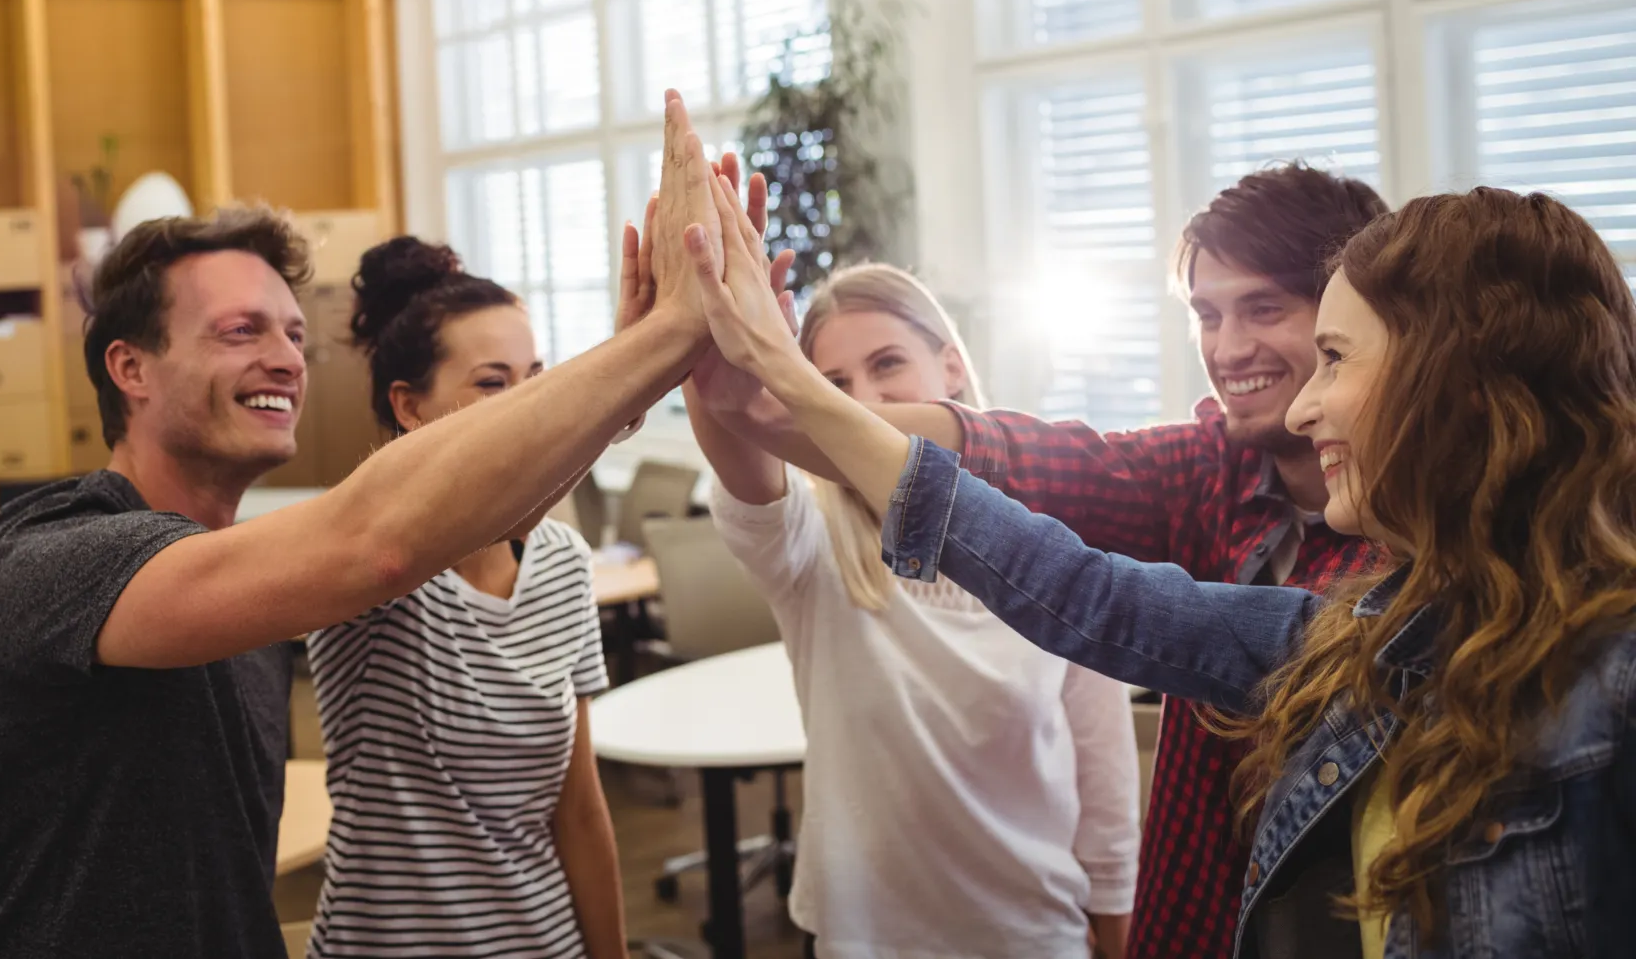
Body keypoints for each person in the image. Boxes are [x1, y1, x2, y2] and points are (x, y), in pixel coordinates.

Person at [685, 175, 1636, 958]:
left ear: (1455, 378)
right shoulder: (1364, 630)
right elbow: (1069, 567)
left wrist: (790, 393)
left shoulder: (1604, 675)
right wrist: (774, 400)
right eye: (1206, 314)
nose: (1300, 401)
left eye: (1332, 355)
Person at [0, 96, 724, 959]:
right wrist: (658, 343)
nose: (286, 358)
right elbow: (377, 543)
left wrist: (633, 381)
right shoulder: (49, 558)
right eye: (241, 330)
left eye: (295, 334)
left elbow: (500, 524)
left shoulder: (251, 601)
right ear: (131, 367)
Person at [671, 252, 1141, 959]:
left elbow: (1104, 778)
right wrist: (713, 356)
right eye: (832, 385)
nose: (863, 400)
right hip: (868, 937)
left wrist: (1117, 926)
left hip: (1035, 931)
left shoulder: (1054, 546)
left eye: (887, 363)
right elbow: (742, 461)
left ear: (951, 367)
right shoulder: (810, 544)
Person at [305, 237, 624, 959]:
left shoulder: (562, 563)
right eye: (491, 383)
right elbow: (401, 531)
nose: (529, 405)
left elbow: (579, 812)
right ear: (409, 407)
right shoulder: (367, 564)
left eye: (536, 377)